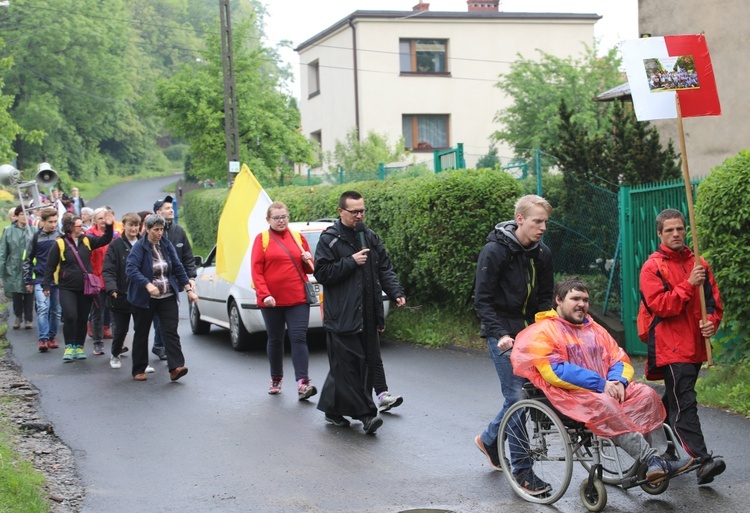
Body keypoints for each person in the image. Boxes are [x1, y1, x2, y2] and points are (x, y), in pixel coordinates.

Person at [512, 277, 695, 483]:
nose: (582, 304)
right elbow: (555, 371)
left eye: (585, 299)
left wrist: (617, 382)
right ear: (559, 300)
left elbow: (618, 358)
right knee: (605, 405)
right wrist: (602, 385)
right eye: (575, 298)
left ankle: (661, 458)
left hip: (605, 387)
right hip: (571, 395)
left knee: (647, 394)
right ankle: (651, 459)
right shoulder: (543, 331)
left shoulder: (594, 328)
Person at [472, 194, 554, 494]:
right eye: (537, 221)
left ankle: (490, 439)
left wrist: (545, 328)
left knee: (528, 394)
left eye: (545, 221)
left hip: (531, 332)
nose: (542, 227)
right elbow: (483, 301)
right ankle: (523, 472)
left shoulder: (542, 253)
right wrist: (500, 333)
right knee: (518, 397)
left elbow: (546, 297)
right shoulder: (494, 251)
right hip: (502, 331)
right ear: (520, 219)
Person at [639, 208, 726, 485]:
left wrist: (711, 322)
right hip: (670, 346)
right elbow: (661, 306)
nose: (676, 234)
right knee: (684, 401)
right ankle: (702, 460)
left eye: (680, 228)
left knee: (672, 402)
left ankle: (653, 445)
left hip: (695, 345)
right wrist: (688, 284)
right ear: (659, 234)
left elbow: (713, 303)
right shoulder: (652, 267)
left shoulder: (699, 262)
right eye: (669, 230)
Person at [313, 190, 406, 434]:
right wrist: (350, 262)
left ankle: (332, 410)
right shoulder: (330, 239)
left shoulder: (369, 236)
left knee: (357, 365)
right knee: (352, 367)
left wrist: (395, 291)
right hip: (342, 316)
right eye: (354, 211)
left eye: (362, 210)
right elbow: (321, 273)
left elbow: (384, 267)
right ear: (341, 212)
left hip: (368, 314)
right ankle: (366, 415)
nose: (359, 215)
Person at [251, 201, 317, 399]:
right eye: (277, 218)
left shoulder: (298, 237)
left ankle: (303, 383)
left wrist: (308, 259)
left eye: (284, 217)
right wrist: (265, 294)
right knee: (276, 338)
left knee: (298, 338)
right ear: (268, 220)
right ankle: (276, 378)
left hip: (297, 298)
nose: (281, 221)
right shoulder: (261, 239)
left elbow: (310, 269)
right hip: (272, 300)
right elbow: (256, 270)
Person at [126, 214, 196, 381]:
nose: (159, 233)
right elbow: (131, 269)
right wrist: (147, 285)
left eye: (161, 229)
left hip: (167, 295)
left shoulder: (166, 244)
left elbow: (177, 267)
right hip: (145, 299)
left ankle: (176, 367)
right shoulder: (140, 247)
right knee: (142, 333)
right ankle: (139, 369)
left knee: (170, 330)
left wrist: (188, 288)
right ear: (147, 229)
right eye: (156, 230)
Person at [42, 212, 114, 361]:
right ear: (69, 227)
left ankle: (79, 347)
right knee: (70, 316)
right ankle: (69, 347)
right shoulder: (60, 244)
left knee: (82, 318)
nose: (82, 227)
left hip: (85, 287)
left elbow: (106, 239)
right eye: (79, 225)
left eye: (82, 225)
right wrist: (46, 286)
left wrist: (109, 225)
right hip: (67, 287)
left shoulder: (87, 240)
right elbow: (50, 266)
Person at [102, 212, 155, 373]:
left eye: (136, 225)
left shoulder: (145, 243)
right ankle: (115, 354)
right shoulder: (115, 245)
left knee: (141, 330)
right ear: (123, 226)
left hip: (141, 294)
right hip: (121, 295)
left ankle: (142, 362)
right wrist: (112, 288)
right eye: (130, 225)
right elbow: (108, 270)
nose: (133, 228)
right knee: (121, 329)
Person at [150, 196, 196, 361]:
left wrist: (191, 277)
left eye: (171, 207)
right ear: (158, 212)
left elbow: (187, 257)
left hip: (174, 284)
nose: (171, 210)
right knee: (159, 318)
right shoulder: (149, 234)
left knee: (168, 319)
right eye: (167, 208)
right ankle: (160, 345)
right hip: (154, 285)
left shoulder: (179, 231)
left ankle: (160, 346)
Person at [24, 207, 62, 351]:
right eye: (50, 222)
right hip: (40, 278)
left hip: (57, 279)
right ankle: (43, 338)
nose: (53, 224)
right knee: (42, 308)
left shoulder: (60, 236)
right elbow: (28, 258)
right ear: (43, 222)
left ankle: (52, 336)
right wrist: (28, 279)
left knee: (56, 310)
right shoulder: (35, 238)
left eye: (55, 221)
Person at [86, 207, 120, 355]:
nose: (103, 221)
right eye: (100, 218)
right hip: (96, 278)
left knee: (115, 311)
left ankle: (118, 343)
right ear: (94, 220)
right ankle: (98, 343)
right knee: (98, 312)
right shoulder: (89, 235)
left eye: (105, 218)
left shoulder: (115, 235)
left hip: (112, 277)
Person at [0, 206, 34, 331]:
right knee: (16, 293)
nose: (24, 217)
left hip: (29, 266)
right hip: (13, 266)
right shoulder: (8, 230)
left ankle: (28, 318)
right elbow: (3, 251)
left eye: (27, 214)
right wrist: (2, 269)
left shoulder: (33, 230)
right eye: (22, 214)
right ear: (17, 215)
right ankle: (18, 316)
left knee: (29, 292)